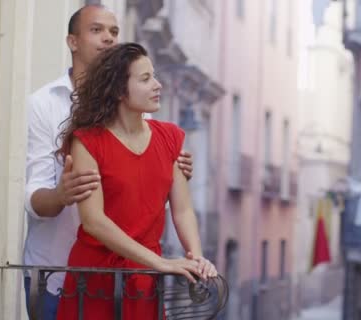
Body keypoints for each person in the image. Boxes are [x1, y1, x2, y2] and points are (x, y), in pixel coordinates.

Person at [23, 5, 197, 319]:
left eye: (114, 32)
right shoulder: (45, 105)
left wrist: (174, 175)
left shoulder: (143, 116)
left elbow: (149, 200)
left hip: (136, 274)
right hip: (56, 272)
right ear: (72, 42)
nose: (108, 38)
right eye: (96, 30)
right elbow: (34, 194)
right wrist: (61, 196)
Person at [53, 42, 216, 319]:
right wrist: (159, 263)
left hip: (144, 280)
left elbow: (183, 209)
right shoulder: (88, 142)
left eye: (154, 76)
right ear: (118, 89)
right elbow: (93, 221)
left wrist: (196, 257)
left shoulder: (170, 137)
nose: (157, 84)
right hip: (95, 279)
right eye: (145, 79)